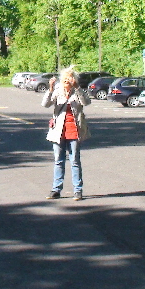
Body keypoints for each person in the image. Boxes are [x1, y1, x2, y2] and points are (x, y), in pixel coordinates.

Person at [42, 66, 91, 201]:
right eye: (65, 78)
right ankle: (56, 189)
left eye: (70, 78)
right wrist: (50, 89)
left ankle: (78, 190)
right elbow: (45, 104)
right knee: (58, 160)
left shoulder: (78, 92)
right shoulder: (57, 91)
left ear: (74, 79)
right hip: (58, 131)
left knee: (74, 160)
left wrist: (77, 88)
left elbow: (86, 102)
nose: (67, 80)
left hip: (74, 130)